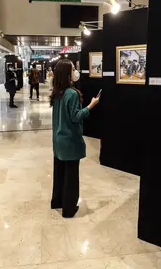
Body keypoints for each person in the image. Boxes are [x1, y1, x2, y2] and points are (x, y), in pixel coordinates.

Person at [50, 59, 100, 218]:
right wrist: (91, 105)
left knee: (59, 173)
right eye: (73, 69)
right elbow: (76, 117)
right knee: (71, 176)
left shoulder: (57, 92)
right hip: (69, 141)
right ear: (67, 74)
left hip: (58, 140)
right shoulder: (71, 93)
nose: (75, 71)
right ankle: (69, 209)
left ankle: (57, 201)